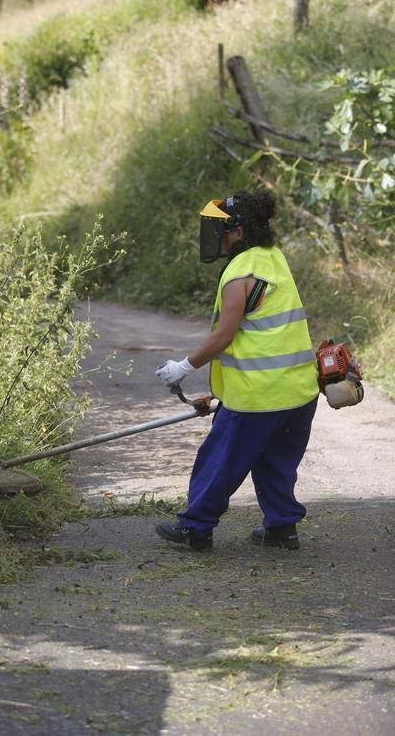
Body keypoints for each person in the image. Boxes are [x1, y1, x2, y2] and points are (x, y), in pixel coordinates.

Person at [155, 189, 319, 551]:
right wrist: (217, 396)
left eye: (223, 229)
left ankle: (195, 528)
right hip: (299, 392)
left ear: (240, 232)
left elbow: (225, 335)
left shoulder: (238, 272)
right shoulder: (274, 258)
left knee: (219, 460)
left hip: (257, 397)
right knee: (276, 461)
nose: (218, 236)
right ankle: (282, 528)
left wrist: (183, 367)